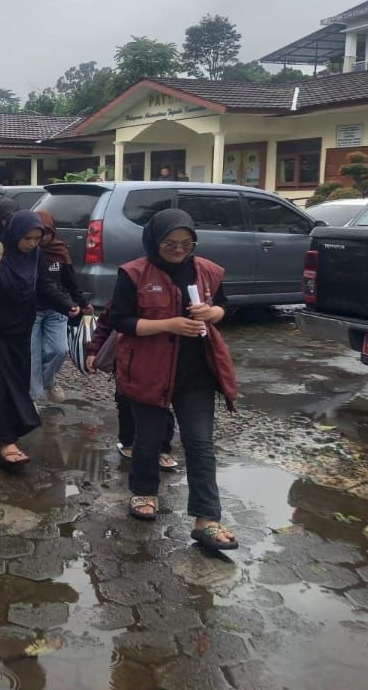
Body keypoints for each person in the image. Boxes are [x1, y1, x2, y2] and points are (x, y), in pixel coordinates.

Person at [110, 208, 238, 549]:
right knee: (149, 438)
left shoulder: (208, 271)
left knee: (199, 443)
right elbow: (121, 321)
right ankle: (144, 491)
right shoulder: (134, 273)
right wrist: (169, 324)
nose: (179, 249)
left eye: (186, 243)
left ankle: (206, 519)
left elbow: (224, 306)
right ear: (154, 241)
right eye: (170, 243)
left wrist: (213, 312)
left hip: (196, 373)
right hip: (149, 369)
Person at [0, 210, 74, 468]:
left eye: (37, 238)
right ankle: (8, 441)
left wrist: (66, 304)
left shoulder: (35, 255)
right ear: (15, 233)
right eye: (28, 238)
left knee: (17, 381)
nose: (32, 243)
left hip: (21, 331)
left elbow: (43, 285)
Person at [86, 307, 177, 470]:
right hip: (127, 356)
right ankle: (128, 441)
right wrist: (94, 350)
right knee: (125, 400)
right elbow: (107, 321)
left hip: (160, 356)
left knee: (160, 401)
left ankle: (163, 449)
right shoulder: (125, 294)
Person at [30, 210, 88, 402]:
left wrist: (81, 302)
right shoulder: (27, 252)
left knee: (59, 350)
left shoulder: (60, 251)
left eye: (46, 233)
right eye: (39, 234)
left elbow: (70, 281)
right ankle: (32, 398)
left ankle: (48, 382)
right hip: (32, 310)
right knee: (34, 355)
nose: (42, 239)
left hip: (57, 309)